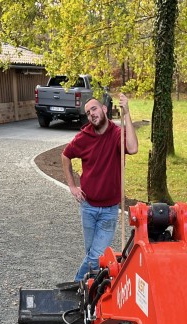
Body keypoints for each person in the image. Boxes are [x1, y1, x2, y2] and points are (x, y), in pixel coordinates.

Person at [62, 93, 138, 281]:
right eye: (88, 113)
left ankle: (75, 286)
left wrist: (127, 112)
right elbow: (65, 156)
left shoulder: (117, 134)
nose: (91, 114)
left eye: (94, 109)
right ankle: (92, 296)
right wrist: (72, 186)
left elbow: (134, 148)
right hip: (87, 206)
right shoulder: (84, 137)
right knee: (92, 254)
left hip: (109, 209)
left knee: (95, 256)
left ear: (104, 109)